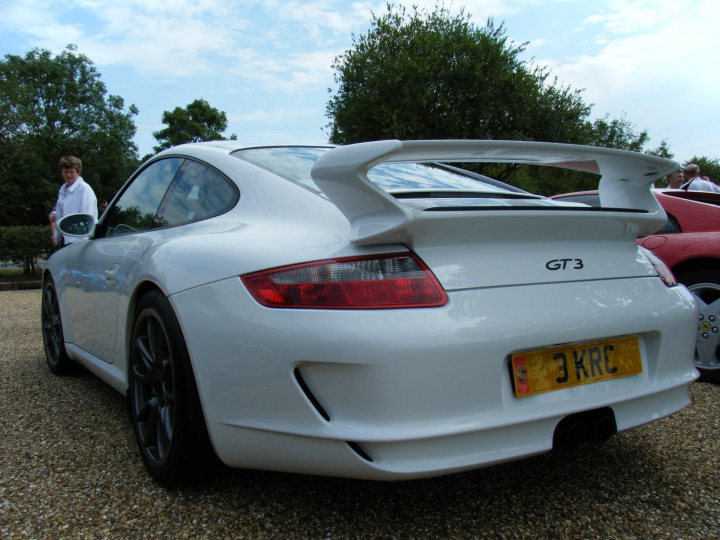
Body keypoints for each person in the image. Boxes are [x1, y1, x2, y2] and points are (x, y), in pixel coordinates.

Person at [49, 155, 98, 247]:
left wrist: (82, 244)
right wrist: (54, 214)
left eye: (71, 172)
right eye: (65, 172)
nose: (68, 175)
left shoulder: (84, 189)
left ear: (78, 172)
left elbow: (88, 218)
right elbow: (64, 211)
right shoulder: (63, 189)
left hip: (78, 241)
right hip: (65, 239)